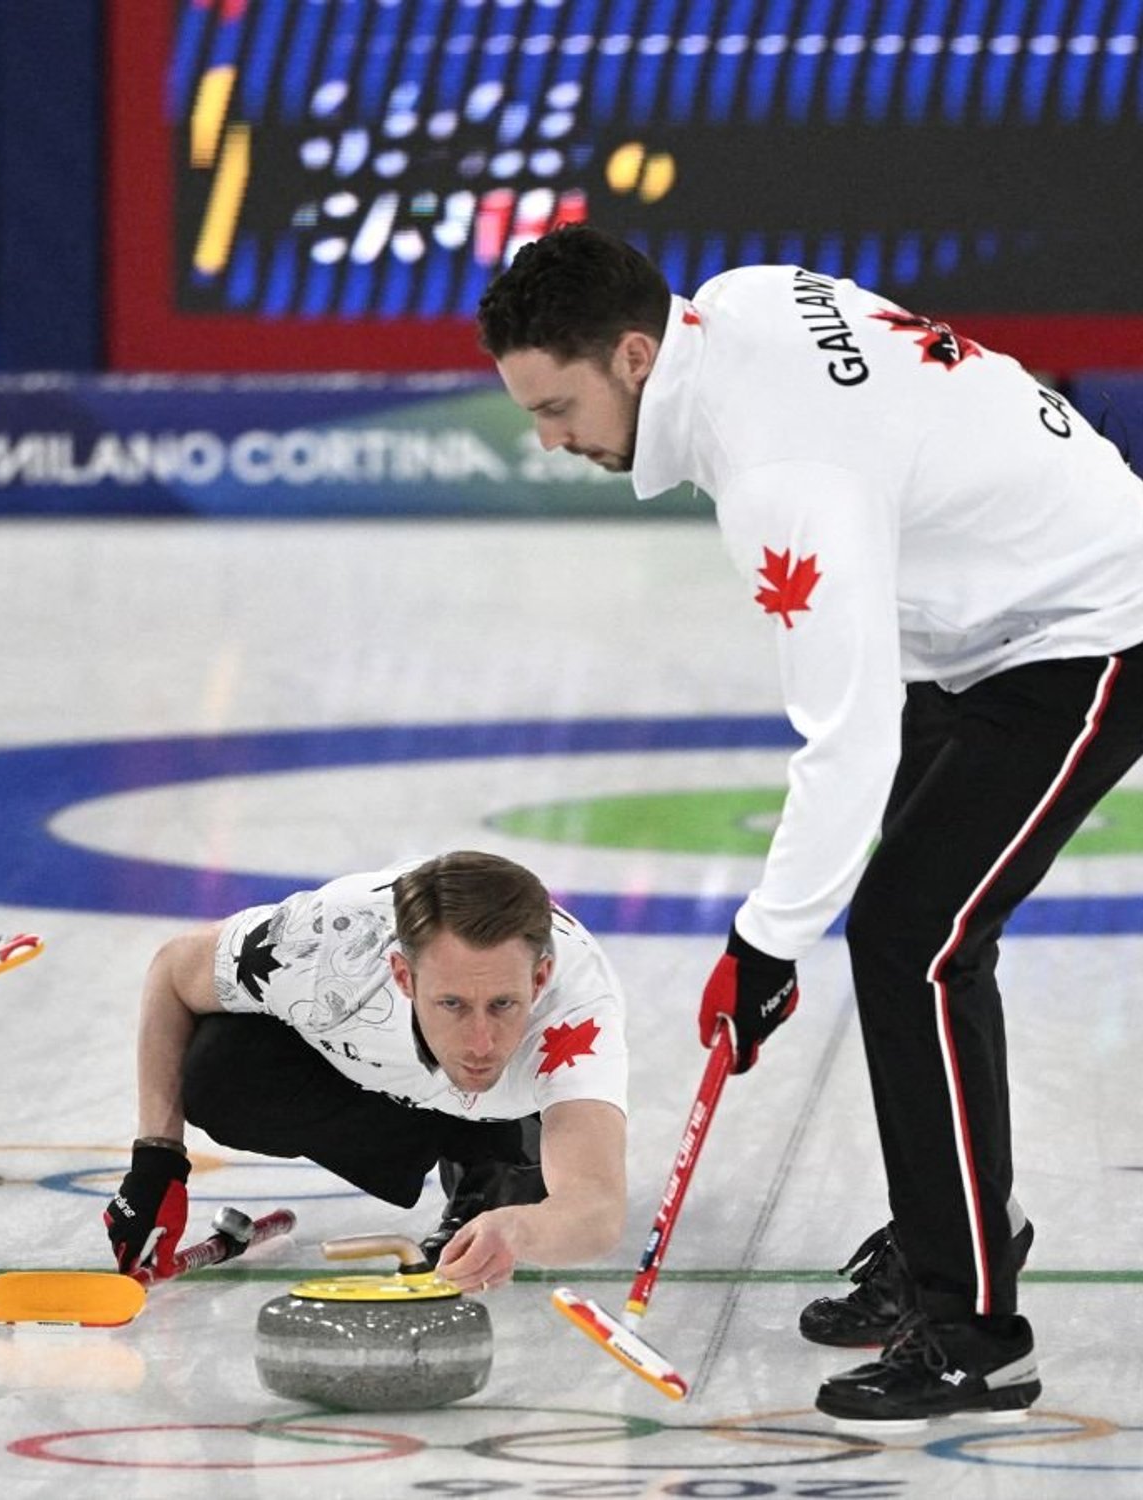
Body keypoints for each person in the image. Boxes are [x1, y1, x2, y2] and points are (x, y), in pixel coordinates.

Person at [478, 224, 1143, 1425]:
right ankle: (959, 1225)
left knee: (909, 940)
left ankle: (975, 1333)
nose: (549, 440)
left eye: (557, 406)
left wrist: (761, 944)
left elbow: (845, 738)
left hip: (1086, 625)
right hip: (971, 625)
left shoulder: (781, 478)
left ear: (633, 357)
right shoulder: (735, 299)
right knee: (914, 936)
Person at [103, 852, 628, 1296]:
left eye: (503, 1004)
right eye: (451, 1003)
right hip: (379, 1065)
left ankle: (497, 1151)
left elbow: (597, 1206)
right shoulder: (320, 949)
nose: (480, 1043)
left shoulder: (576, 1013)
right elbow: (173, 971)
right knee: (221, 1072)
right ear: (402, 975)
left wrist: (520, 1228)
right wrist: (157, 1162)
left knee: (535, 1162)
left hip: (511, 1103)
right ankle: (456, 1136)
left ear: (539, 979)